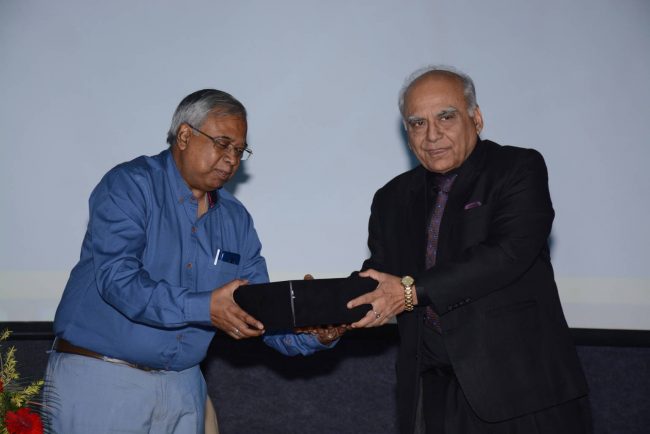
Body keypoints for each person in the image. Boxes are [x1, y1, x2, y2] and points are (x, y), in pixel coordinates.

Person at [45, 89, 333, 434]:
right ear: (184, 135)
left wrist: (313, 329)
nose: (231, 159)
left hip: (183, 387)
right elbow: (118, 281)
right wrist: (204, 307)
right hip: (103, 378)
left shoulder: (236, 218)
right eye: (223, 144)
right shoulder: (130, 186)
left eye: (239, 150)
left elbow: (258, 307)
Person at [347, 66, 592, 433]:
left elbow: (507, 254)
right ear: (407, 133)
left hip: (520, 392)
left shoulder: (517, 168)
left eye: (446, 117)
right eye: (417, 123)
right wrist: (328, 314)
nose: (432, 135)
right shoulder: (392, 197)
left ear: (476, 119)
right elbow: (380, 277)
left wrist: (411, 292)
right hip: (430, 393)